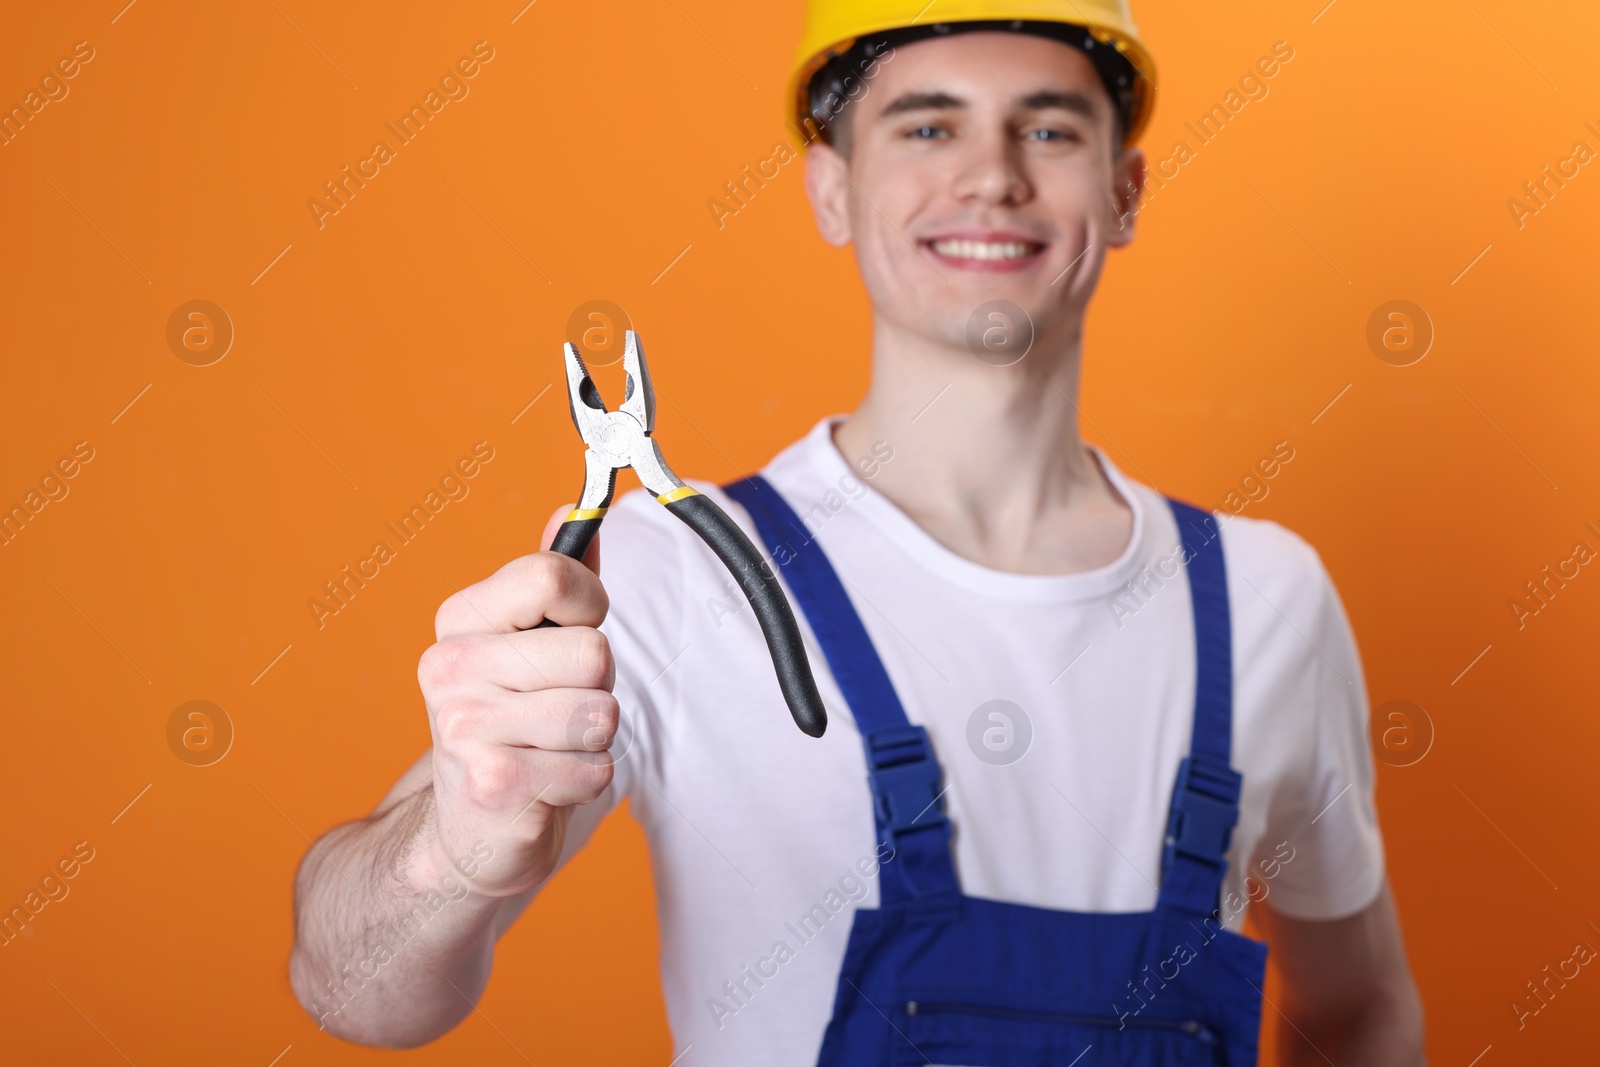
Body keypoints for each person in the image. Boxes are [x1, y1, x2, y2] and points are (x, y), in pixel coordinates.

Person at [288, 2, 1427, 1063]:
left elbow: (1359, 1000)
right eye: (927, 125)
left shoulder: (1266, 600)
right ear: (830, 189)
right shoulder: (663, 572)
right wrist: (451, 850)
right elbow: (355, 993)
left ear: (1125, 191)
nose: (990, 174)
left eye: (1049, 126)